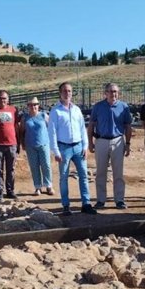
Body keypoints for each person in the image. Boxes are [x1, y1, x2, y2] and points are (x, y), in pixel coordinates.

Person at [48, 82, 96, 216]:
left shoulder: (76, 109)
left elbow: (82, 128)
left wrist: (85, 146)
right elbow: (52, 133)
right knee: (63, 177)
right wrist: (56, 151)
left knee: (84, 176)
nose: (67, 93)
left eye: (69, 91)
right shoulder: (55, 111)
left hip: (79, 146)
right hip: (63, 147)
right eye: (64, 91)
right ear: (60, 93)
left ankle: (86, 204)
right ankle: (65, 205)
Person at [87, 82, 133, 209]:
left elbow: (128, 126)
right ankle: (101, 200)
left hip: (118, 142)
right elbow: (91, 125)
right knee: (101, 172)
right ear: (105, 93)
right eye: (111, 91)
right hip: (101, 141)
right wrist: (90, 143)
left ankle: (119, 200)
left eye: (115, 91)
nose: (113, 94)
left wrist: (128, 144)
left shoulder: (124, 107)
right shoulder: (98, 107)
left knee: (118, 173)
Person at [19, 96, 54, 196]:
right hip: (30, 145)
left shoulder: (44, 115)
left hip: (44, 144)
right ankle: (37, 187)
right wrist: (22, 143)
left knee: (46, 165)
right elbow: (21, 131)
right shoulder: (25, 118)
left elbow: (51, 128)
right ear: (27, 106)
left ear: (38, 105)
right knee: (34, 166)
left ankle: (49, 186)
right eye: (30, 105)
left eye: (35, 104)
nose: (33, 106)